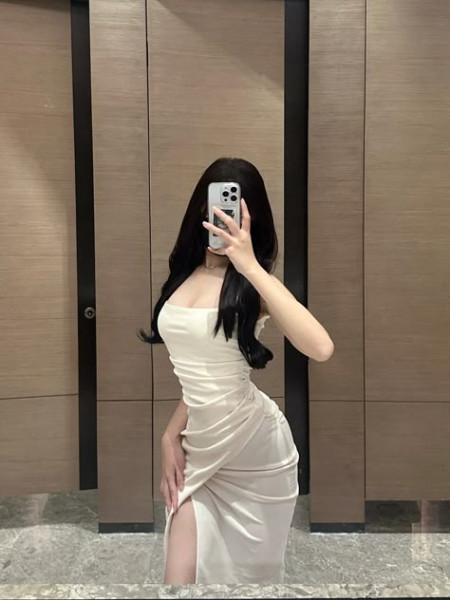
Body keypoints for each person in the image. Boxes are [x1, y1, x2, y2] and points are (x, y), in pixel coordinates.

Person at [137, 157, 334, 584]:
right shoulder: (182, 274)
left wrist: (249, 265)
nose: (222, 218)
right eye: (215, 207)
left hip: (256, 455)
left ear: (252, 218)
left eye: (233, 210)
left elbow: (320, 347)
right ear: (200, 209)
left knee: (250, 583)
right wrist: (170, 434)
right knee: (178, 578)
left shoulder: (253, 284)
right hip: (200, 450)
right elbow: (201, 378)